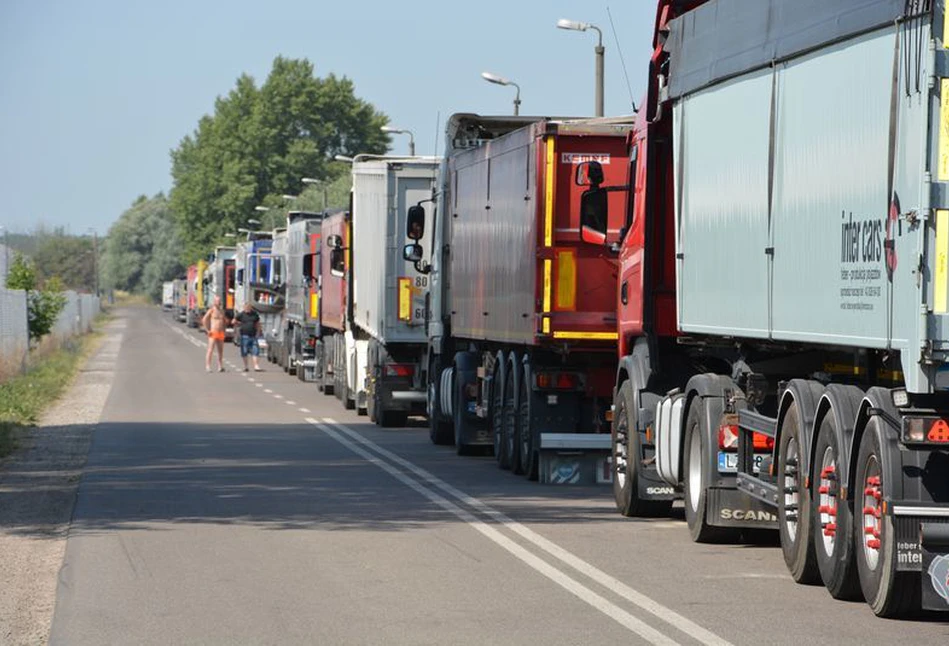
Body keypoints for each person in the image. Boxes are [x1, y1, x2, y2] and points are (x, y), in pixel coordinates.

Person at [232, 302, 263, 372]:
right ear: (244, 308)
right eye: (246, 308)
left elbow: (258, 324)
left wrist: (258, 333)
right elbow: (233, 321)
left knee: (255, 351)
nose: (247, 309)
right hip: (244, 336)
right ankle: (246, 366)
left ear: (250, 308)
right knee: (244, 351)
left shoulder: (255, 315)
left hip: (253, 335)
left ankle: (256, 366)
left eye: (248, 308)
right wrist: (239, 324)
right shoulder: (241, 314)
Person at [202, 296, 227, 372]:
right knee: (210, 349)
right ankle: (208, 366)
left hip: (220, 332)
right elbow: (204, 319)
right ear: (214, 302)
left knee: (220, 350)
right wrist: (207, 330)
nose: (218, 302)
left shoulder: (222, 311)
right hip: (213, 331)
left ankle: (220, 366)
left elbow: (224, 321)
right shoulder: (212, 310)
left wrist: (224, 330)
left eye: (219, 301)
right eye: (217, 301)